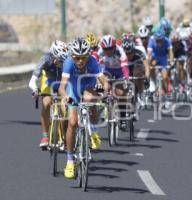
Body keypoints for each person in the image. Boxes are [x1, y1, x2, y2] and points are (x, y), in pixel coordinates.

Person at [59, 37, 102, 179]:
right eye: (77, 58)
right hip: (73, 91)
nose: (80, 61)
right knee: (72, 123)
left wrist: (107, 93)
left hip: (88, 88)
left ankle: (94, 131)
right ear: (73, 57)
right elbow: (62, 87)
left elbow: (104, 81)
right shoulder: (68, 63)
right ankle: (70, 161)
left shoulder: (93, 62)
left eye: (83, 57)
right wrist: (66, 98)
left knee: (91, 99)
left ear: (88, 56)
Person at [29, 40, 68, 150]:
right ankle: (45, 136)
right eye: (60, 61)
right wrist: (35, 89)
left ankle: (66, 138)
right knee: (46, 104)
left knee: (64, 109)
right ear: (54, 56)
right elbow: (32, 80)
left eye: (63, 61)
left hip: (62, 82)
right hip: (48, 80)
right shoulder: (45, 59)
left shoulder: (67, 60)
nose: (61, 63)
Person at [99, 35, 130, 130]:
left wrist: (126, 79)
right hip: (107, 70)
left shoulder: (120, 51)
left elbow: (125, 67)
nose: (108, 51)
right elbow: (98, 68)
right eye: (106, 49)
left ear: (114, 47)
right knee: (103, 86)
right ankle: (103, 106)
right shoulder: (100, 52)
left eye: (111, 49)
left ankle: (123, 116)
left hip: (119, 71)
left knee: (121, 93)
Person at [147, 28, 174, 108]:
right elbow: (149, 54)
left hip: (163, 58)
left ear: (163, 38)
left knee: (165, 77)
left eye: (160, 40)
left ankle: (166, 98)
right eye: (157, 41)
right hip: (154, 57)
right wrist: (149, 63)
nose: (159, 42)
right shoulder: (151, 40)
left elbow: (170, 52)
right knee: (151, 66)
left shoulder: (167, 40)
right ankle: (153, 82)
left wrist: (171, 61)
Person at [122, 38, 150, 107]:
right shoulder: (121, 55)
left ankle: (141, 93)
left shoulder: (139, 53)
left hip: (137, 67)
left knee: (137, 73)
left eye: (130, 52)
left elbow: (146, 66)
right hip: (126, 68)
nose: (128, 55)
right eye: (126, 53)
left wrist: (147, 77)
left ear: (133, 50)